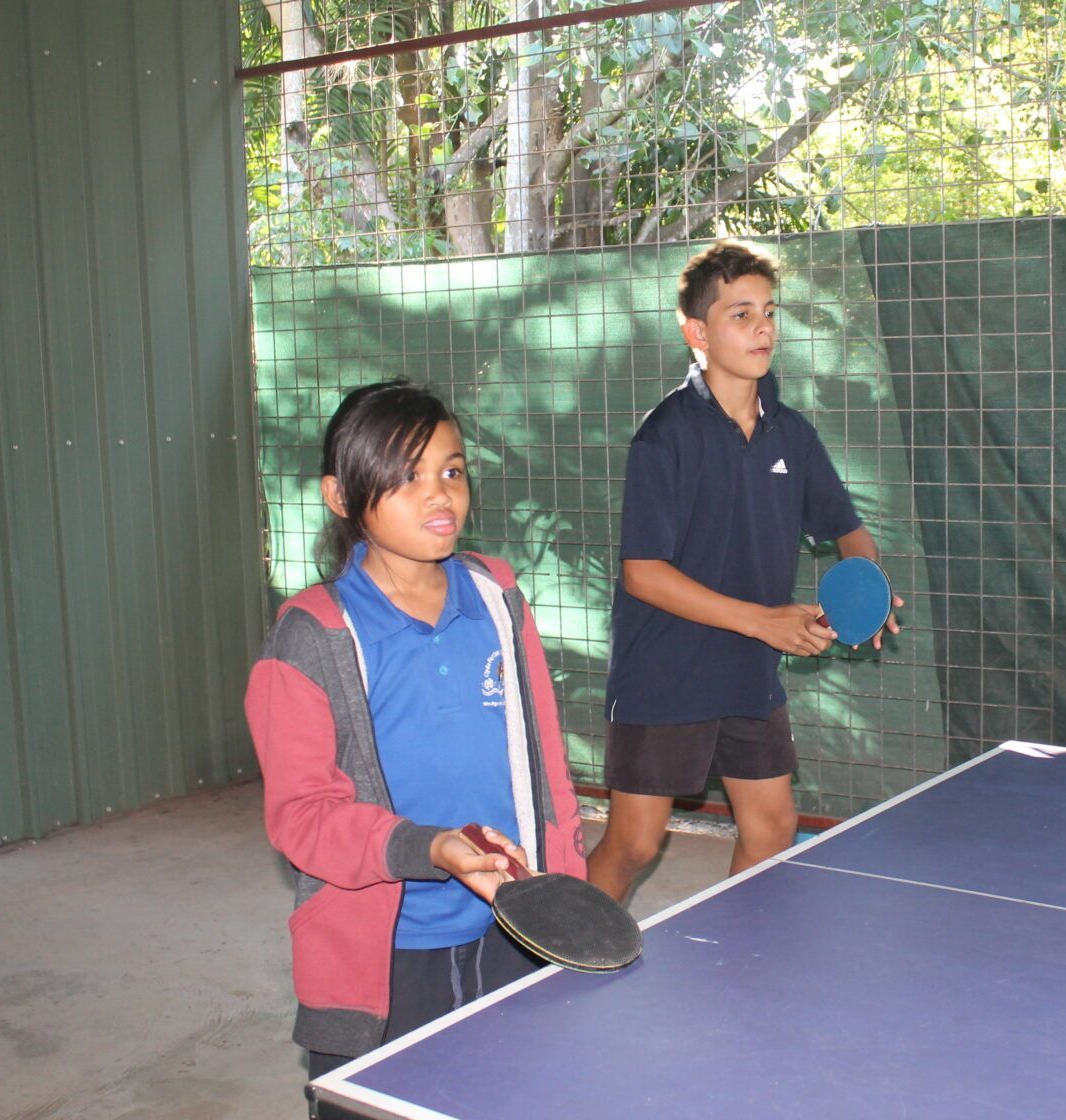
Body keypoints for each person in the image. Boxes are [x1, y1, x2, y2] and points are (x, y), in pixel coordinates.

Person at [244, 380, 586, 1085]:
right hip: (385, 953)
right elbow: (303, 819)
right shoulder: (310, 637)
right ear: (341, 496)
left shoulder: (497, 595)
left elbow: (546, 764)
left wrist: (561, 891)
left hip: (511, 928)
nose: (439, 495)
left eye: (451, 471)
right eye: (405, 477)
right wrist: (429, 847)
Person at [587, 239, 899, 902]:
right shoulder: (664, 437)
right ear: (695, 331)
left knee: (771, 827)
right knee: (636, 843)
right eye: (740, 314)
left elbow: (849, 530)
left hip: (747, 673)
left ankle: (730, 959)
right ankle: (555, 956)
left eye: (768, 311)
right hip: (665, 672)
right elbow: (644, 573)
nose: (762, 326)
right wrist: (763, 622)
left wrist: (864, 594)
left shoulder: (793, 436)